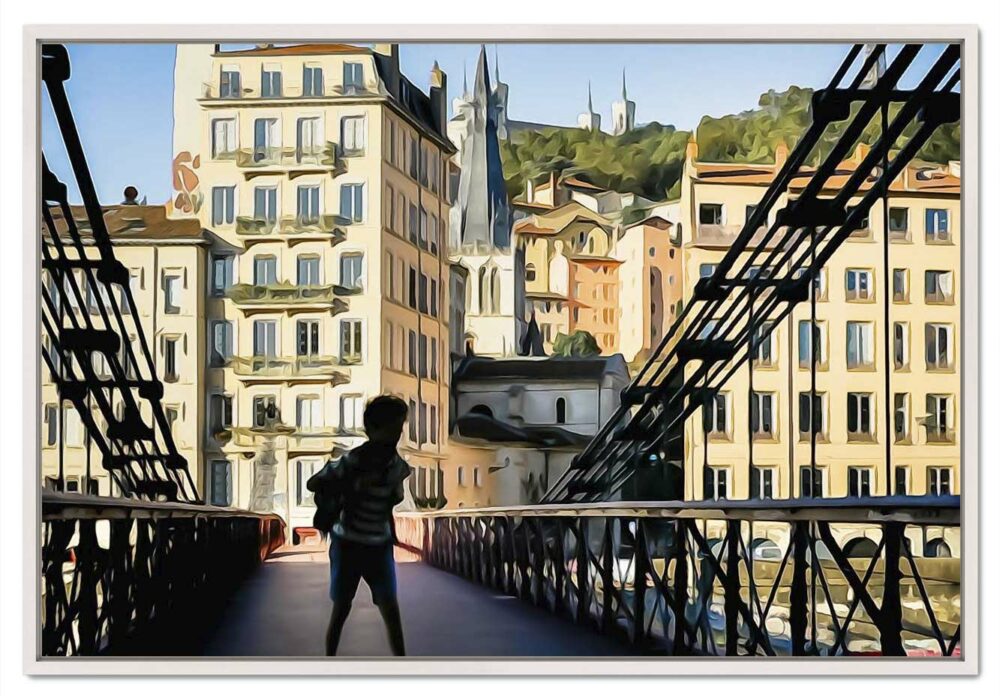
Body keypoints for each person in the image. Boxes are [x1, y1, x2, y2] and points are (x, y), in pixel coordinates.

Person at [307, 395, 413, 657]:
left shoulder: (397, 467)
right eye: (393, 429)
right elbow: (314, 483)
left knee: (385, 608)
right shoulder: (353, 462)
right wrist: (347, 488)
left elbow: (390, 501)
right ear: (373, 430)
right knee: (346, 609)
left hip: (371, 544)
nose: (397, 436)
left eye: (399, 429)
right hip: (351, 544)